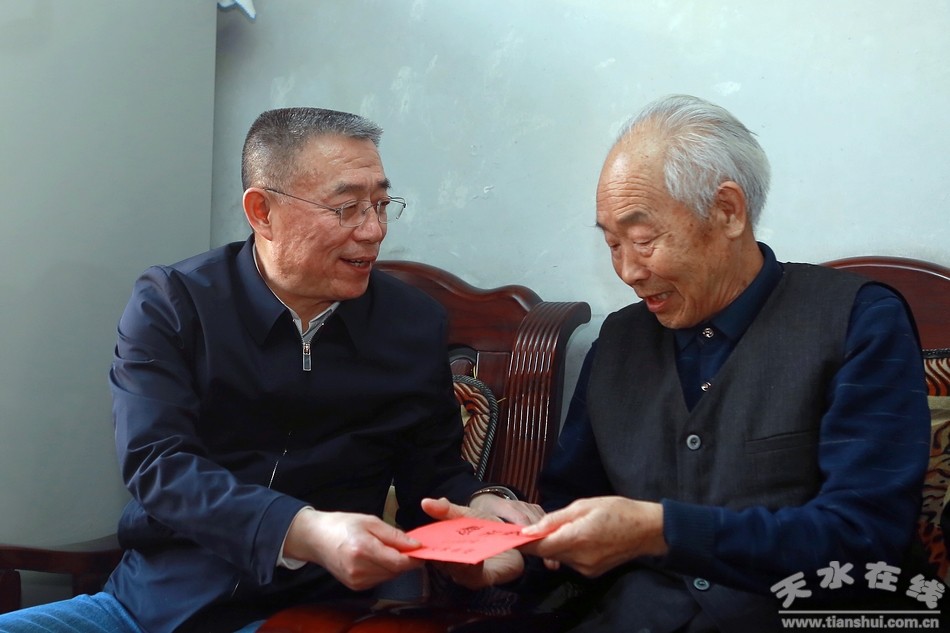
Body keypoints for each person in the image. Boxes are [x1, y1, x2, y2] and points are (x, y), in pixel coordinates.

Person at [0, 107, 538, 633]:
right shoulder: (174, 303)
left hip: (308, 615)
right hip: (147, 607)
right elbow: (158, 464)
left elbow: (433, 477)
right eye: (347, 207)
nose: (373, 230)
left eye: (380, 204)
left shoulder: (412, 323)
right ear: (262, 212)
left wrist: (482, 506)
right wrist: (304, 530)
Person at [512, 95, 932, 631]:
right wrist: (507, 552)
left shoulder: (858, 321)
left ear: (728, 211)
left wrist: (663, 531)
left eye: (642, 240)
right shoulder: (619, 342)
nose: (628, 271)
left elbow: (864, 541)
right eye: (613, 244)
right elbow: (570, 508)